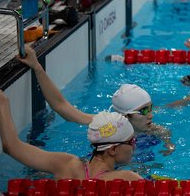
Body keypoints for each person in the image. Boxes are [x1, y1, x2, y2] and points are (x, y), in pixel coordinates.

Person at [16, 45, 175, 156]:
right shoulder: (109, 124)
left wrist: (169, 145)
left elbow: (164, 132)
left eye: (151, 108)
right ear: (126, 116)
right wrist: (37, 67)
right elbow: (61, 106)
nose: (151, 115)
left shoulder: (152, 129)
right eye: (145, 110)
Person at [0, 86, 142, 181]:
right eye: (131, 143)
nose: (134, 147)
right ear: (112, 149)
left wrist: (3, 101)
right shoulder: (128, 179)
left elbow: (11, 146)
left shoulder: (66, 164)